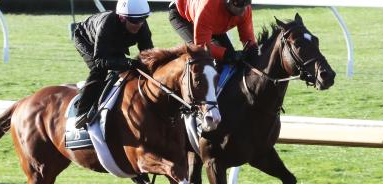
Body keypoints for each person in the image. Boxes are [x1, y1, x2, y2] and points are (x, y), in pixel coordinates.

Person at [72, 0, 154, 129]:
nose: (139, 24)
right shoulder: (107, 25)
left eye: (144, 18)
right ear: (122, 18)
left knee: (130, 69)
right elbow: (100, 61)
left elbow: (148, 54)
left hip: (113, 41)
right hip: (86, 40)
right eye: (134, 20)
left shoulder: (142, 25)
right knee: (99, 71)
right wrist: (128, 63)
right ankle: (82, 111)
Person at [168, 0, 257, 66]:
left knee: (231, 61)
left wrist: (255, 54)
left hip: (213, 23)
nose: (243, 10)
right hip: (182, 16)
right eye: (239, 3)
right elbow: (202, 46)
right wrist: (228, 55)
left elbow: (248, 39)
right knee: (201, 57)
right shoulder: (208, 6)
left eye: (247, 2)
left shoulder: (246, 10)